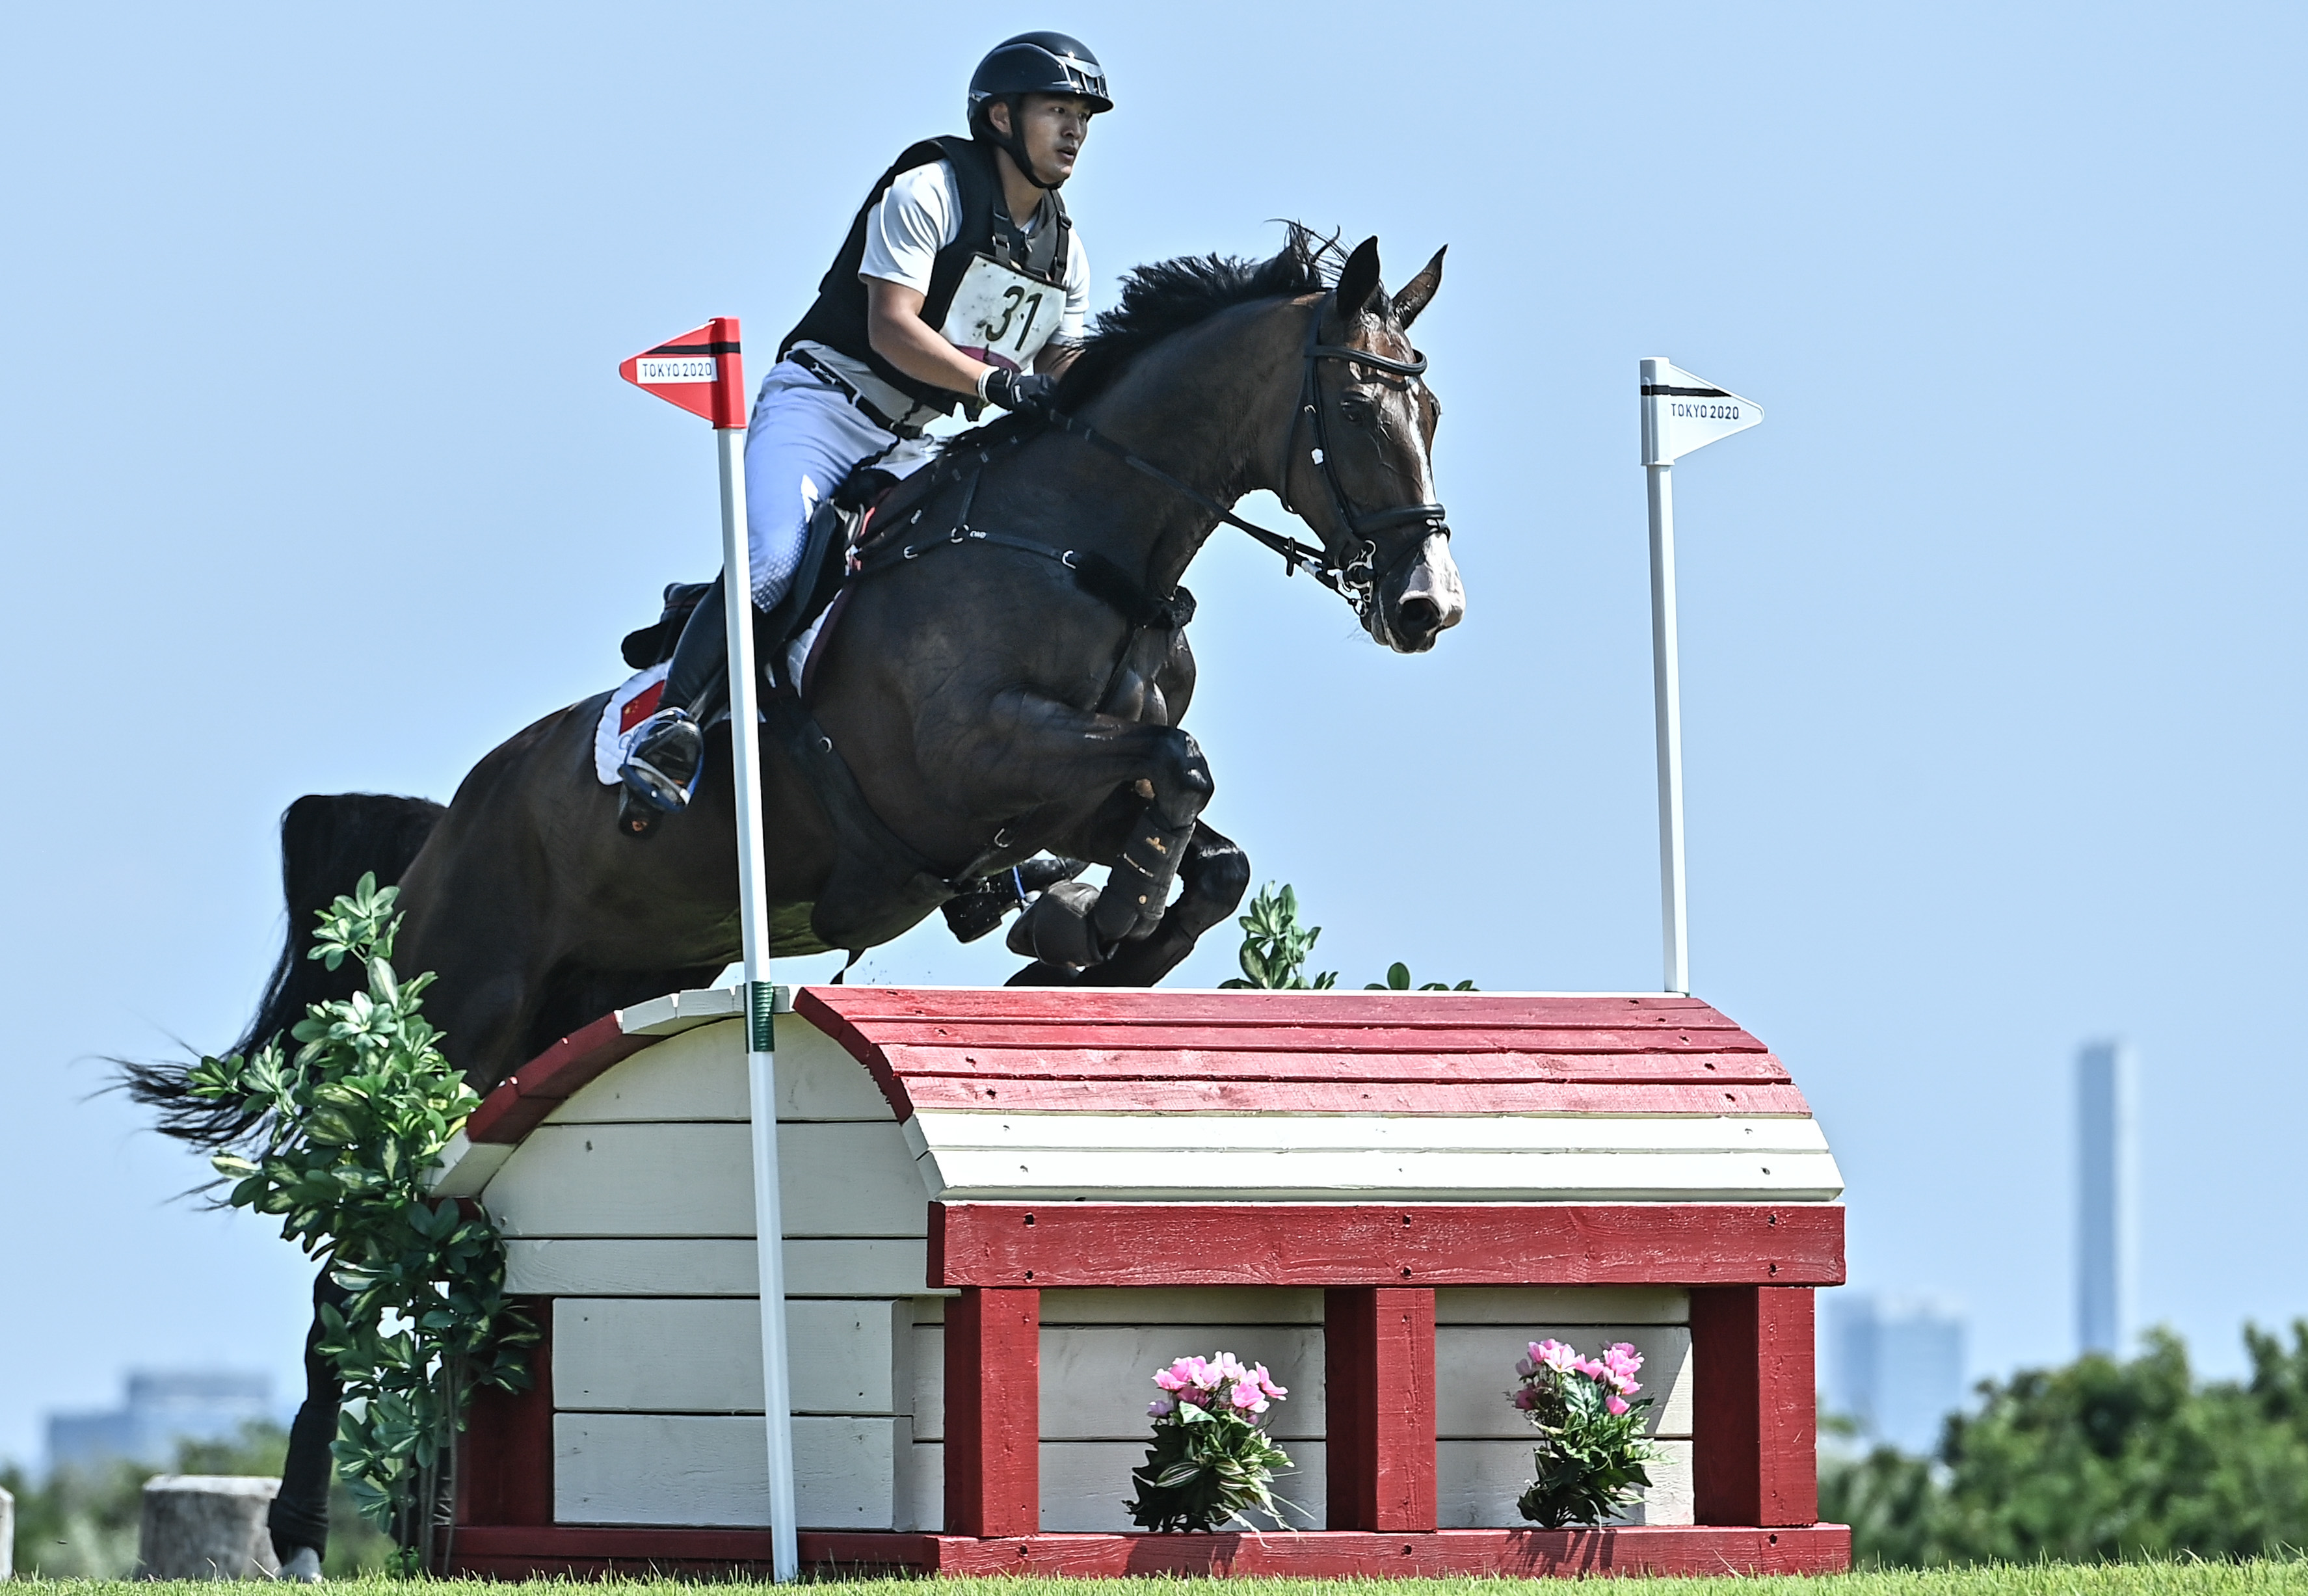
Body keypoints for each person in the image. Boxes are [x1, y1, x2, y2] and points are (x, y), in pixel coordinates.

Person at [617, 32, 1110, 823]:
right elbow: (891, 329)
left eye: (1084, 115)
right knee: (778, 562)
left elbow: (1060, 357)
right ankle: (673, 724)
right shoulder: (930, 190)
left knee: (952, 582)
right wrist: (993, 381)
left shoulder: (1066, 251)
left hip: (915, 439)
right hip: (822, 405)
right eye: (1059, 110)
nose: (1077, 130)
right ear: (1000, 118)